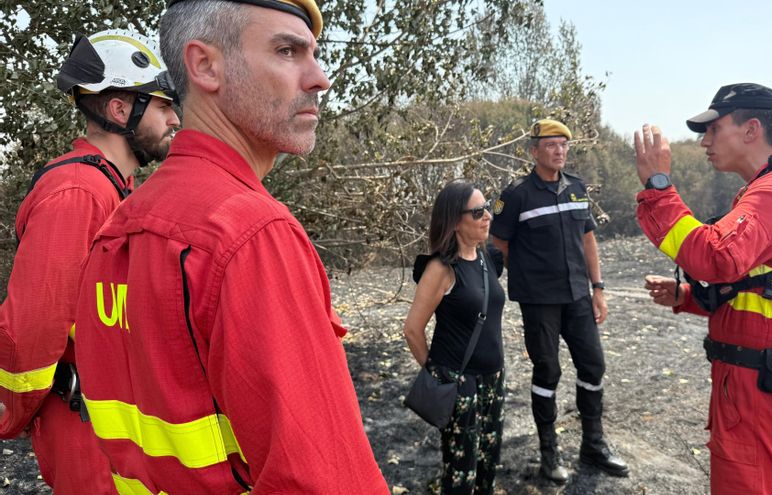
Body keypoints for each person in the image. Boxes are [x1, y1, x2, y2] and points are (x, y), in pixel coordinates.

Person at [72, 1, 388, 493]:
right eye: (288, 51)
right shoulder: (250, 236)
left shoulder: (118, 229)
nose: (320, 78)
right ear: (205, 66)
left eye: (313, 55)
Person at [0, 30, 179, 494]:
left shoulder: (114, 189)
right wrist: (15, 410)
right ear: (121, 111)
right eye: (163, 106)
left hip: (114, 422)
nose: (175, 119)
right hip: (85, 432)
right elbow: (33, 328)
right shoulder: (78, 194)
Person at [634, 83, 772, 494]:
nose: (704, 141)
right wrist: (688, 298)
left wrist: (658, 187)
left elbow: (717, 258)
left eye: (713, 129)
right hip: (750, 379)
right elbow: (758, 292)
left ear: (751, 130)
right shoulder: (768, 189)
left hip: (758, 386)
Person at [490, 119, 629, 483]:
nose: (559, 151)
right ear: (534, 151)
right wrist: (496, 291)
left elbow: (588, 241)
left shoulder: (577, 188)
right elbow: (499, 246)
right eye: (551, 145)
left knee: (593, 367)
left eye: (563, 145)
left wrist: (598, 288)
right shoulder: (517, 194)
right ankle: (549, 454)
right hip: (539, 302)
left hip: (578, 296)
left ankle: (593, 446)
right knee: (547, 371)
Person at [403, 180, 506, 495]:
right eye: (478, 211)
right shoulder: (441, 269)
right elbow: (412, 329)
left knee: (488, 465)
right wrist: (440, 377)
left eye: (488, 207)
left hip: (494, 380)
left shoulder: (487, 258)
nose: (487, 215)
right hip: (461, 382)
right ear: (455, 220)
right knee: (461, 475)